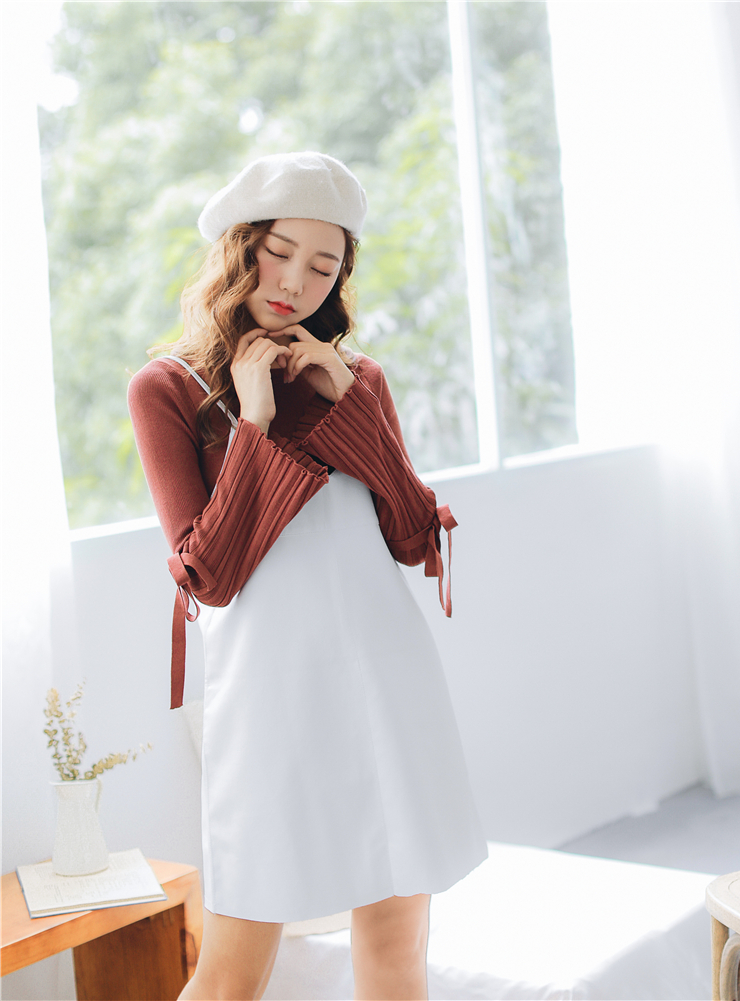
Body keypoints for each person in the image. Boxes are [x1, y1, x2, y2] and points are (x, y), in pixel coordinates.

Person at [128, 151, 487, 1001]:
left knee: (397, 947)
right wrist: (252, 421)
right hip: (272, 703)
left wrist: (351, 403)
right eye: (278, 252)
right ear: (238, 246)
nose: (294, 281)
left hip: (387, 682)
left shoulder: (358, 379)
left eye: (322, 266)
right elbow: (211, 576)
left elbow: (413, 539)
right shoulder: (169, 389)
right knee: (232, 970)